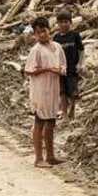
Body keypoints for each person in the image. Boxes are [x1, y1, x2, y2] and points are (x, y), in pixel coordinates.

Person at [25, 17, 67, 167]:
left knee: (51, 121)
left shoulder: (57, 47)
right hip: (40, 90)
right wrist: (47, 69)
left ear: (49, 30)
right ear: (35, 35)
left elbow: (63, 66)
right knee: (40, 121)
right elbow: (29, 70)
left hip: (53, 88)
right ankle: (38, 158)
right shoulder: (36, 50)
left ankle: (50, 155)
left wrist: (59, 70)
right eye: (38, 33)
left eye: (44, 31)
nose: (42, 35)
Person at [52, 10, 84, 120]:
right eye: (61, 22)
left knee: (73, 91)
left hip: (72, 68)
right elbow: (53, 53)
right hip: (60, 69)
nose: (64, 24)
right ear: (57, 24)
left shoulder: (75, 35)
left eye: (66, 22)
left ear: (70, 23)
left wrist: (80, 64)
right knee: (62, 92)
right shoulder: (56, 38)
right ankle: (64, 113)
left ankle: (73, 110)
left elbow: (81, 50)